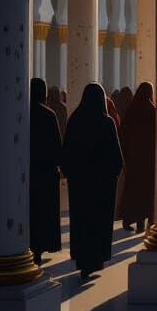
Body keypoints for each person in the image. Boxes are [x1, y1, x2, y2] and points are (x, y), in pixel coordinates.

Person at [61, 84, 124, 279]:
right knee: (98, 223)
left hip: (80, 185)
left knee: (82, 222)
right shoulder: (106, 123)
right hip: (102, 185)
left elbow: (67, 153)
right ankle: (96, 260)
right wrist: (113, 174)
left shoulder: (75, 120)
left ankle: (83, 260)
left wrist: (71, 174)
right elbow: (116, 156)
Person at [29, 77, 62, 265]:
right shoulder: (49, 115)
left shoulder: (22, 114)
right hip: (46, 173)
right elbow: (57, 146)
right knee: (43, 213)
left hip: (27, 173)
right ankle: (39, 251)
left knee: (30, 211)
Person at [119, 81, 156, 233]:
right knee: (148, 190)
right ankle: (149, 221)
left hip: (133, 158)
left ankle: (132, 219)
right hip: (149, 159)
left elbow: (123, 133)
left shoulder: (131, 109)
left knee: (134, 189)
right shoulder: (152, 110)